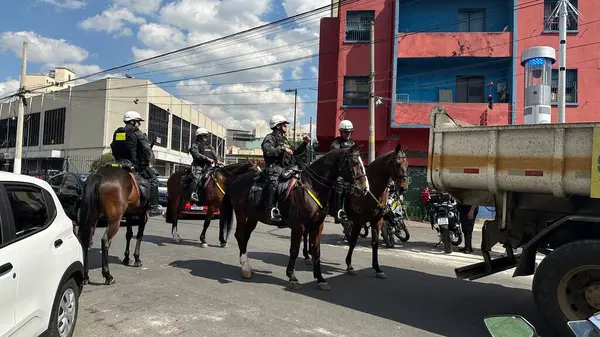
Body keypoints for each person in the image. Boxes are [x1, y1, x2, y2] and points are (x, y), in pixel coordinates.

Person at [110, 110, 163, 217]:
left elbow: (113, 146)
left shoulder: (118, 132)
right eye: (138, 121)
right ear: (133, 122)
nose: (139, 124)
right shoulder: (137, 133)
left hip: (118, 162)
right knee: (154, 180)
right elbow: (147, 150)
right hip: (133, 164)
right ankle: (153, 207)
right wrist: (145, 161)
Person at [261, 114, 310, 224]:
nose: (286, 126)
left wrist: (304, 143)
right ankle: (271, 210)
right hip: (274, 168)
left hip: (287, 168)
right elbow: (268, 151)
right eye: (284, 124)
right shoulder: (270, 138)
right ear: (278, 126)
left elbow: (294, 153)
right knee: (274, 183)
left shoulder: (284, 139)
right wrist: (282, 148)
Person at [330, 120, 355, 223]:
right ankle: (338, 212)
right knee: (340, 185)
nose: (348, 133)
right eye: (345, 131)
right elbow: (334, 155)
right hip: (339, 172)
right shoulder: (336, 143)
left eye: (349, 131)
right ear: (341, 132)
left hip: (350, 172)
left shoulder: (352, 143)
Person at [188, 127, 220, 202]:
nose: (206, 137)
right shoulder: (194, 145)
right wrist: (207, 158)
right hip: (198, 166)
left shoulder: (209, 146)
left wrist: (217, 160)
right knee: (197, 179)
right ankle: (194, 194)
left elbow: (214, 154)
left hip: (208, 167)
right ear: (199, 136)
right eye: (204, 136)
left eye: (206, 136)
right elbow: (196, 155)